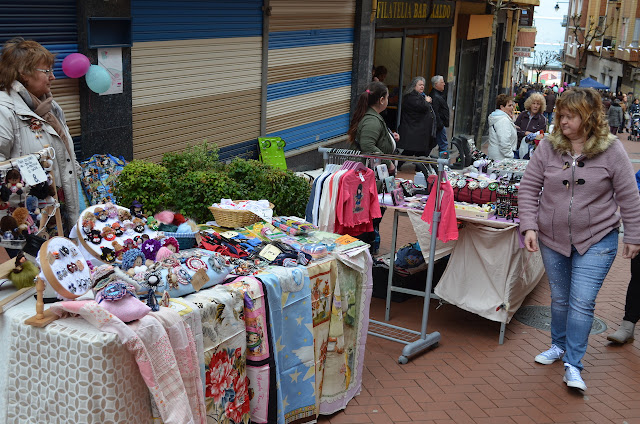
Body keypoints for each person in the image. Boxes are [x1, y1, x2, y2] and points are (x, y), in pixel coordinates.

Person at [519, 87, 640, 392]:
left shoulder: (612, 150)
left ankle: (573, 363)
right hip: (552, 237)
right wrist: (529, 226)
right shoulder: (548, 147)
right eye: (560, 114)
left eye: (570, 115)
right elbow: (529, 187)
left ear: (588, 118)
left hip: (598, 238)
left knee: (582, 302)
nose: (562, 120)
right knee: (559, 299)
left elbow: (629, 196)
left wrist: (634, 235)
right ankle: (558, 346)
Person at [0, 38, 80, 233]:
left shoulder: (51, 108)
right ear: (24, 73)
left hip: (58, 205)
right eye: (47, 71)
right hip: (27, 216)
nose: (53, 77)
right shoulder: (5, 111)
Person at [347, 81, 399, 254]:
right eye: (387, 97)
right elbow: (368, 146)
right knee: (370, 216)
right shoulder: (371, 120)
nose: (388, 100)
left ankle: (370, 244)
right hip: (370, 176)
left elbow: (375, 140)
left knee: (374, 214)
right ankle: (367, 249)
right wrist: (389, 163)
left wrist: (390, 137)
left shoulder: (373, 117)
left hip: (375, 175)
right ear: (381, 99)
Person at [397, 76, 436, 159]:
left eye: (423, 85)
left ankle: (420, 167)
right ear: (414, 86)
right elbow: (421, 107)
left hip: (419, 130)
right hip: (414, 129)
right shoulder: (411, 97)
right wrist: (427, 101)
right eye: (420, 85)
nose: (422, 86)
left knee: (419, 150)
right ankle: (398, 165)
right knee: (411, 151)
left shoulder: (420, 96)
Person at [514, 92, 547, 158]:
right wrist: (525, 133)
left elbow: (540, 136)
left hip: (530, 152)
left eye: (538, 104)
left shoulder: (542, 119)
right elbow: (514, 129)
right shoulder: (522, 115)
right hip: (517, 147)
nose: (535, 106)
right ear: (530, 104)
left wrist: (532, 136)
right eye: (533, 103)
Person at [487, 94, 517, 160]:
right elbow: (504, 141)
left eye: (512, 105)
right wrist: (510, 156)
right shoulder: (503, 120)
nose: (512, 108)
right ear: (502, 107)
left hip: (497, 156)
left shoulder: (499, 118)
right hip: (501, 158)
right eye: (509, 105)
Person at [429, 75, 449, 157]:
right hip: (439, 125)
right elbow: (435, 112)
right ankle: (443, 164)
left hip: (440, 124)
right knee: (443, 145)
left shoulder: (438, 94)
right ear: (436, 84)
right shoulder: (435, 96)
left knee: (434, 144)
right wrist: (440, 124)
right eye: (442, 82)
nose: (444, 84)